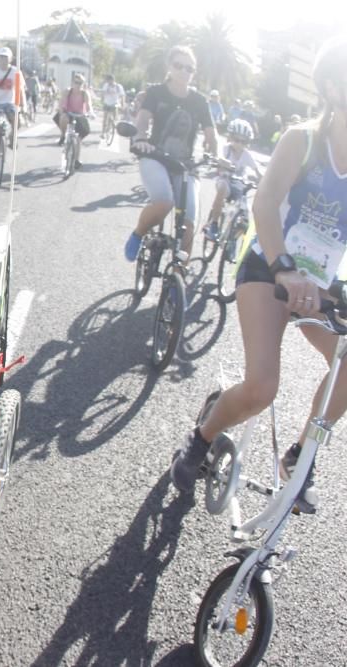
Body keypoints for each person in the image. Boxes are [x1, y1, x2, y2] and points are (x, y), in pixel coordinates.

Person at [169, 37, 347, 513]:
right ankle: (202, 436)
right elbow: (264, 203)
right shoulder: (302, 139)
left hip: (321, 285)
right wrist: (285, 270)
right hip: (270, 266)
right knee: (262, 389)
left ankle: (301, 456)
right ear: (333, 87)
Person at [123, 46, 218, 263]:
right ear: (169, 66)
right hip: (155, 156)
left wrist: (216, 155)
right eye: (179, 66)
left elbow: (212, 135)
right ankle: (138, 233)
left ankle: (178, 276)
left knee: (189, 221)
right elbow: (143, 121)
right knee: (164, 202)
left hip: (185, 165)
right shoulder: (156, 92)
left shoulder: (200, 101)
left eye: (189, 68)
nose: (184, 71)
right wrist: (140, 139)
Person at [204, 119, 262, 239]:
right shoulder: (225, 149)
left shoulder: (247, 155)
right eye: (237, 140)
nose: (240, 144)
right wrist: (221, 163)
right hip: (225, 180)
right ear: (230, 137)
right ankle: (214, 224)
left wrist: (264, 181)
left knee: (246, 215)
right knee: (223, 188)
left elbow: (257, 171)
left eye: (244, 141)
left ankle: (232, 241)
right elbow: (218, 157)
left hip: (239, 186)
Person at [57, 73, 93, 167]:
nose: (78, 85)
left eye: (80, 83)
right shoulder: (67, 91)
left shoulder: (85, 93)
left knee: (78, 139)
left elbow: (89, 105)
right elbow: (61, 103)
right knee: (63, 117)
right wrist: (61, 110)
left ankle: (76, 160)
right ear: (72, 83)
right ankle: (62, 136)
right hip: (68, 113)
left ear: (83, 84)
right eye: (76, 82)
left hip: (80, 116)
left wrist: (90, 113)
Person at [98, 74, 126, 139]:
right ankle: (103, 133)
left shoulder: (118, 87)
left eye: (109, 80)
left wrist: (122, 104)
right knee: (105, 118)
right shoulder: (106, 85)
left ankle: (110, 128)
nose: (108, 82)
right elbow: (103, 93)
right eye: (107, 81)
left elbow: (122, 96)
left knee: (114, 118)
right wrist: (102, 100)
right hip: (107, 103)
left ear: (112, 80)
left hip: (114, 104)